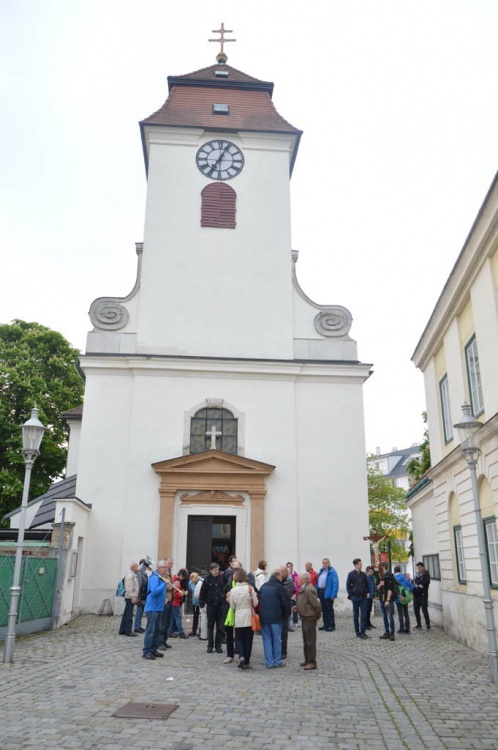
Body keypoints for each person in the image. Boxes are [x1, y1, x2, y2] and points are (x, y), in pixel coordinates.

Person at [259, 569, 291, 668]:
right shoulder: (280, 587)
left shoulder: (263, 587)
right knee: (277, 639)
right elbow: (285, 603)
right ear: (278, 576)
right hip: (277, 618)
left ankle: (269, 662)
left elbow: (258, 601)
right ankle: (277, 661)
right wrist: (286, 614)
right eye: (281, 577)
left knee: (267, 639)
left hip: (264, 617)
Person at [229, 568, 259, 670]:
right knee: (248, 640)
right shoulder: (250, 589)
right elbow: (255, 603)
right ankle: (247, 661)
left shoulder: (233, 591)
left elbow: (232, 606)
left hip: (239, 616)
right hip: (249, 616)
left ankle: (241, 656)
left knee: (239, 639)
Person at [142, 560, 168, 660]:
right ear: (160, 568)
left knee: (157, 630)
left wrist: (164, 598)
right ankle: (146, 651)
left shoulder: (160, 578)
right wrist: (164, 584)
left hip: (159, 607)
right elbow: (154, 592)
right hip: (152, 608)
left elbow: (160, 593)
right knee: (150, 631)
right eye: (165, 568)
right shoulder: (154, 577)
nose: (167, 569)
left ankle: (153, 649)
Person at [296, 571, 322, 670]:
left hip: (310, 617)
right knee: (306, 640)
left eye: (299, 579)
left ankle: (312, 661)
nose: (297, 580)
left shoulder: (309, 589)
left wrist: (317, 615)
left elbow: (316, 605)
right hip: (305, 617)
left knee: (310, 641)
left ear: (304, 579)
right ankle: (307, 659)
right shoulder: (304, 588)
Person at [199, 562, 226, 653]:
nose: (216, 572)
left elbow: (225, 589)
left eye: (218, 570)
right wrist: (202, 604)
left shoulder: (222, 578)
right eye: (215, 570)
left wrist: (223, 598)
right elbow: (202, 592)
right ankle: (210, 645)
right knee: (210, 626)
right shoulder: (207, 579)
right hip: (210, 605)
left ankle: (218, 646)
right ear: (211, 570)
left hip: (219, 605)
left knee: (219, 627)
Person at [346, 558, 370, 639]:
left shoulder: (363, 574)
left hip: (363, 598)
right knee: (356, 615)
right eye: (360, 564)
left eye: (361, 563)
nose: (361, 565)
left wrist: (367, 592)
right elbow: (348, 585)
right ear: (356, 565)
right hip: (355, 597)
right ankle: (357, 632)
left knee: (363, 615)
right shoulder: (351, 574)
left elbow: (366, 585)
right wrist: (351, 594)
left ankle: (363, 632)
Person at [316, 558, 339, 632]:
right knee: (324, 609)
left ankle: (331, 625)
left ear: (329, 563)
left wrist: (333, 594)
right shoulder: (321, 571)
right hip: (321, 592)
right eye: (323, 563)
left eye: (326, 563)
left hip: (328, 593)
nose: (324, 564)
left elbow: (335, 584)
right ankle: (325, 624)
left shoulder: (332, 572)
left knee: (329, 609)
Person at [278, 565, 295, 659]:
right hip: (277, 610)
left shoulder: (289, 582)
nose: (279, 574)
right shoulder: (279, 581)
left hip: (284, 610)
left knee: (283, 632)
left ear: (285, 573)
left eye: (281, 572)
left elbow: (285, 595)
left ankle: (283, 651)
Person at [377, 562, 397, 641]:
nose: (379, 569)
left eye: (380, 567)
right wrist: (380, 585)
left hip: (389, 599)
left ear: (384, 567)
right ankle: (387, 632)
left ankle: (392, 633)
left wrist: (388, 600)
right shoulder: (380, 576)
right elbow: (377, 588)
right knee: (384, 616)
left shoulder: (389, 576)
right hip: (382, 598)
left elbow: (390, 589)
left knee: (390, 616)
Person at [119, 562, 139, 637]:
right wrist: (133, 596)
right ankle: (128, 630)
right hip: (130, 597)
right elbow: (129, 588)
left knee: (126, 613)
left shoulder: (133, 575)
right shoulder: (130, 576)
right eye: (137, 567)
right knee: (129, 615)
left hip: (130, 597)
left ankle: (123, 629)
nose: (138, 568)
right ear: (133, 567)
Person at [158, 557, 174, 650]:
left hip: (170, 599)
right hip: (165, 600)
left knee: (167, 622)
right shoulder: (163, 574)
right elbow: (165, 586)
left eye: (172, 563)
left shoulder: (169, 573)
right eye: (169, 563)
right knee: (163, 623)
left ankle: (164, 641)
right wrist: (173, 586)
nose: (170, 565)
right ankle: (160, 642)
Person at [168, 568, 188, 639]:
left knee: (173, 617)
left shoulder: (174, 579)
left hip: (174, 602)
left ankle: (170, 631)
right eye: (183, 577)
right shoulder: (177, 581)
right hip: (175, 602)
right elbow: (176, 593)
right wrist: (182, 594)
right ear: (181, 575)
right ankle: (181, 632)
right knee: (178, 617)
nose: (182, 579)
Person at [393, 565, 414, 635]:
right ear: (400, 571)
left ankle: (401, 629)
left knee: (400, 614)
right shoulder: (405, 578)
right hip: (405, 597)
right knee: (406, 613)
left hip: (398, 598)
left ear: (394, 571)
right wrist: (408, 592)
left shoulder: (394, 578)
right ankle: (407, 629)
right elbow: (411, 586)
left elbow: (394, 589)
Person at [133, 559, 151, 633]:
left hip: (144, 595)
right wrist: (138, 596)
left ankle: (138, 626)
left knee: (141, 611)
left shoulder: (144, 573)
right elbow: (139, 585)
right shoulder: (140, 573)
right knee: (139, 611)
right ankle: (137, 627)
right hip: (141, 595)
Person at [413, 561, 431, 630]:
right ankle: (419, 624)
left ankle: (428, 624)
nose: (419, 569)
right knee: (416, 610)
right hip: (416, 594)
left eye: (420, 567)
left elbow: (426, 582)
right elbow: (414, 582)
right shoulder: (416, 575)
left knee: (424, 609)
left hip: (423, 594)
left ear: (423, 567)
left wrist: (419, 582)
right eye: (418, 568)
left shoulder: (426, 574)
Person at [189, 572, 200, 637]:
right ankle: (194, 630)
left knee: (202, 617)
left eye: (193, 579)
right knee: (195, 616)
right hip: (195, 602)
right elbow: (192, 590)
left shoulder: (200, 581)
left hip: (201, 602)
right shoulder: (190, 583)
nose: (192, 581)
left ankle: (201, 631)